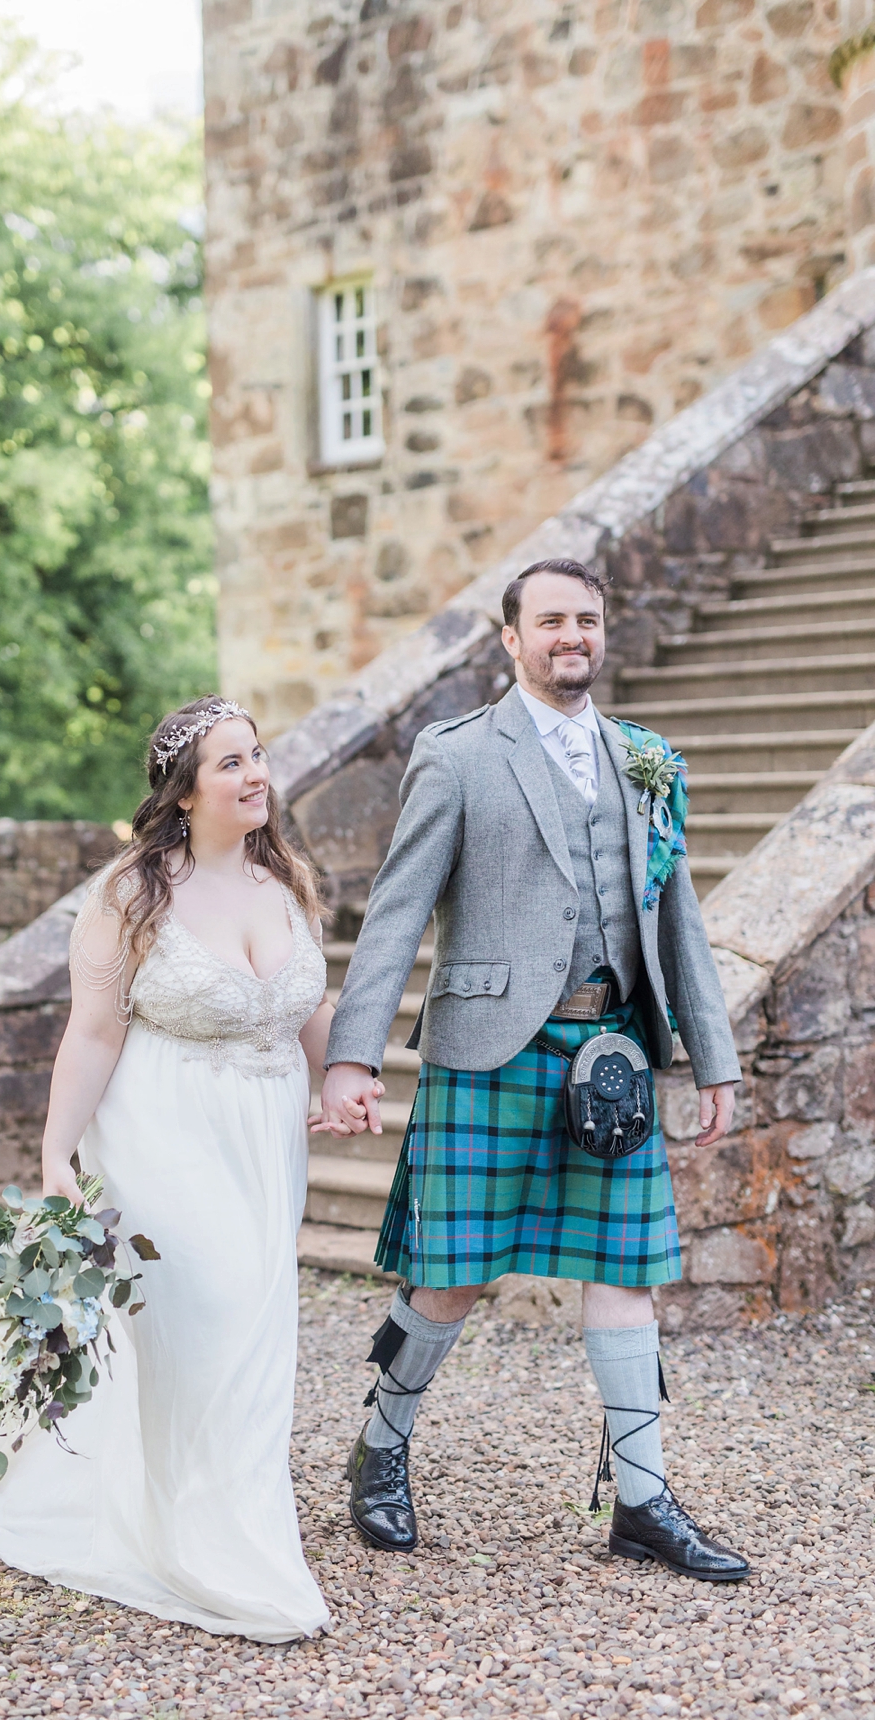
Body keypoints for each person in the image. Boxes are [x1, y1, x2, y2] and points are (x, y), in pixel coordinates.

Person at [0, 696, 368, 1641]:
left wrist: (342, 1077)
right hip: (160, 1125)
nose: (256, 776)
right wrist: (54, 1154)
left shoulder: (283, 877)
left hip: (261, 1136)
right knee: (211, 1306)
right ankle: (213, 1540)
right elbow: (91, 1032)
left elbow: (305, 1005)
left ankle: (223, 1499)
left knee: (253, 1317)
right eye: (230, 765)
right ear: (182, 792)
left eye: (258, 757)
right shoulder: (131, 894)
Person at [320, 559, 751, 1583]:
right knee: (453, 1278)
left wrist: (712, 1058)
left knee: (628, 1273)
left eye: (588, 620)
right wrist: (350, 1057)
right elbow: (394, 910)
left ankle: (642, 1499)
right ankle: (382, 1447)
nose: (574, 636)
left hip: (616, 1054)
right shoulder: (458, 755)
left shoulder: (648, 760)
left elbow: (676, 919)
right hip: (489, 1051)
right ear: (510, 640)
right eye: (551, 620)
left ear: (605, 634)